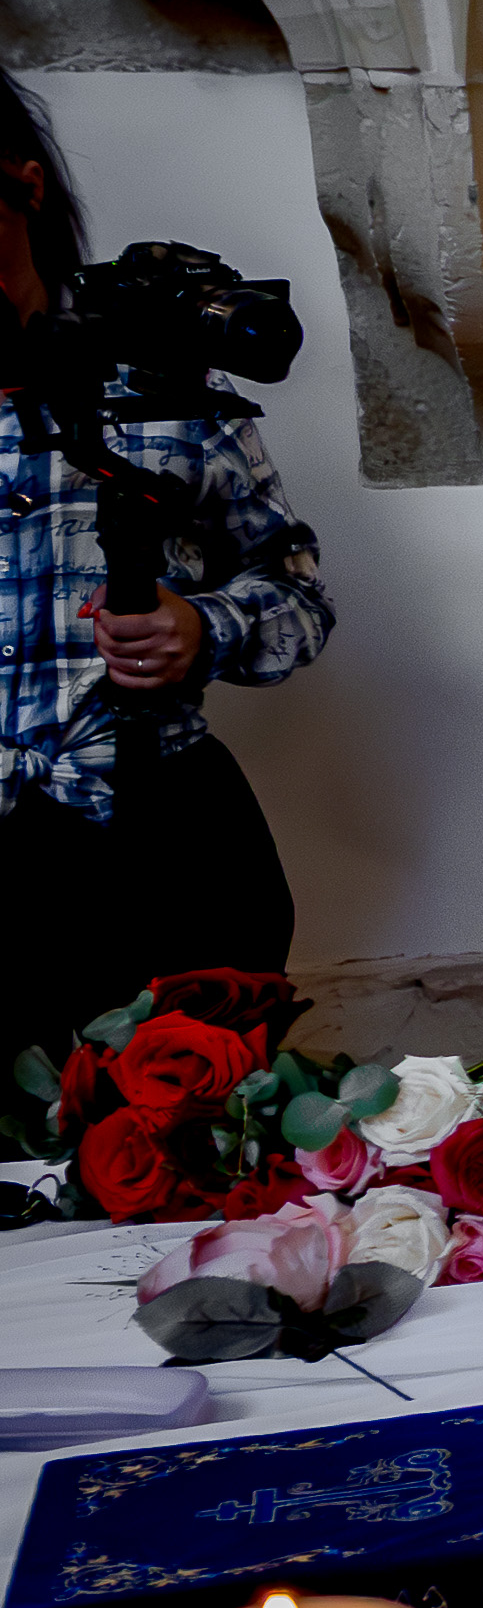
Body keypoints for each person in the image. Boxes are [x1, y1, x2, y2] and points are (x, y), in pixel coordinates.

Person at [0, 73, 331, 1063]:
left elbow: (299, 596)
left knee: (187, 1138)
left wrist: (204, 626)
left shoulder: (164, 385)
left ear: (23, 184)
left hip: (167, 854)